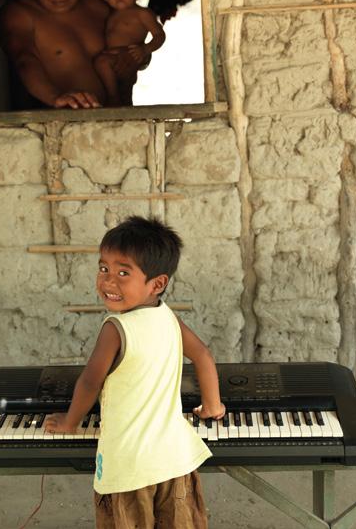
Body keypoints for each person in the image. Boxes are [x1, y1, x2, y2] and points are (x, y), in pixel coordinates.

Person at [45, 216, 225, 528]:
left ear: (157, 283)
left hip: (130, 468)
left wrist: (70, 421)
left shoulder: (116, 328)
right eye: (104, 268)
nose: (108, 281)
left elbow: (90, 381)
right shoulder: (167, 316)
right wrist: (212, 406)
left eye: (123, 272)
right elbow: (203, 356)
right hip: (174, 462)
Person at [0, 0, 111, 109]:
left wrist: (136, 58)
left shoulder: (98, 8)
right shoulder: (19, 14)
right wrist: (55, 98)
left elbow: (133, 49)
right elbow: (25, 59)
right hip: (58, 126)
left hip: (119, 121)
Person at [94, 0, 166, 106]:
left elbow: (159, 35)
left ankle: (114, 99)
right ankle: (114, 99)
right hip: (112, 56)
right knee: (103, 65)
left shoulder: (142, 13)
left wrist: (145, 49)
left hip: (131, 57)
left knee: (123, 89)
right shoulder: (110, 13)